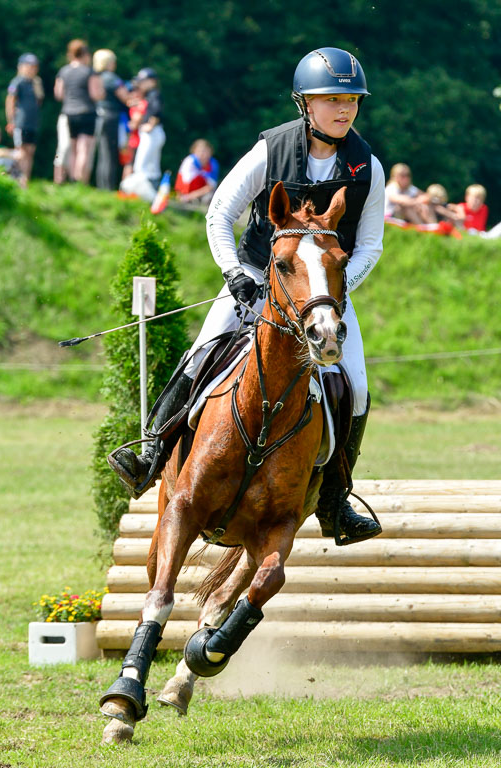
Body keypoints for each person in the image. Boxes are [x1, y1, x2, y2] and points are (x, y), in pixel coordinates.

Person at [110, 47, 385, 546]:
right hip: (258, 274)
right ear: (305, 103)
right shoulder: (271, 151)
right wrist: (234, 272)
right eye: (331, 100)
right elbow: (219, 213)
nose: (344, 110)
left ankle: (334, 499)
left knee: (358, 387)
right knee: (201, 354)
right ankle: (150, 453)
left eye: (351, 100)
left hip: (320, 293)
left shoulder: (367, 166)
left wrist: (331, 291)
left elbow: (369, 246)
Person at [54, 40, 104, 184]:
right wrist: (102, 93)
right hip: (87, 112)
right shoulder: (89, 72)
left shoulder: (64, 71)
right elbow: (95, 94)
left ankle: (69, 179)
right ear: (85, 55)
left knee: (72, 148)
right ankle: (79, 181)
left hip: (68, 113)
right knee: (84, 149)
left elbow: (58, 94)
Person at [119, 68, 165, 202]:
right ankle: (153, 196)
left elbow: (156, 111)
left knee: (141, 167)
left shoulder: (154, 94)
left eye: (143, 81)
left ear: (152, 81)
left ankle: (150, 198)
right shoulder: (149, 95)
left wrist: (150, 124)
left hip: (151, 133)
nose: (141, 84)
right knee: (151, 168)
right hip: (152, 133)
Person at [93, 49, 129, 190]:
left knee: (102, 154)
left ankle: (101, 186)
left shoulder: (95, 77)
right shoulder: (112, 78)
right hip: (111, 117)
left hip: (98, 116)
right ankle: (107, 187)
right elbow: (126, 98)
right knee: (110, 154)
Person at [5, 53, 43, 186]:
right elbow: (10, 100)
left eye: (34, 67)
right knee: (21, 152)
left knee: (30, 152)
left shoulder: (35, 82)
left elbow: (39, 101)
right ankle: (20, 181)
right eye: (29, 66)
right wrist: (11, 120)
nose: (32, 69)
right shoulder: (17, 82)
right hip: (20, 122)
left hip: (32, 123)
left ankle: (26, 179)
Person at [174, 138, 219, 205]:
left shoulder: (213, 164)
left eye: (205, 151)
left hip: (200, 195)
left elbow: (211, 186)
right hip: (187, 194)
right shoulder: (190, 162)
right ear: (194, 151)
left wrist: (190, 196)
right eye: (200, 151)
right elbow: (183, 184)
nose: (202, 154)